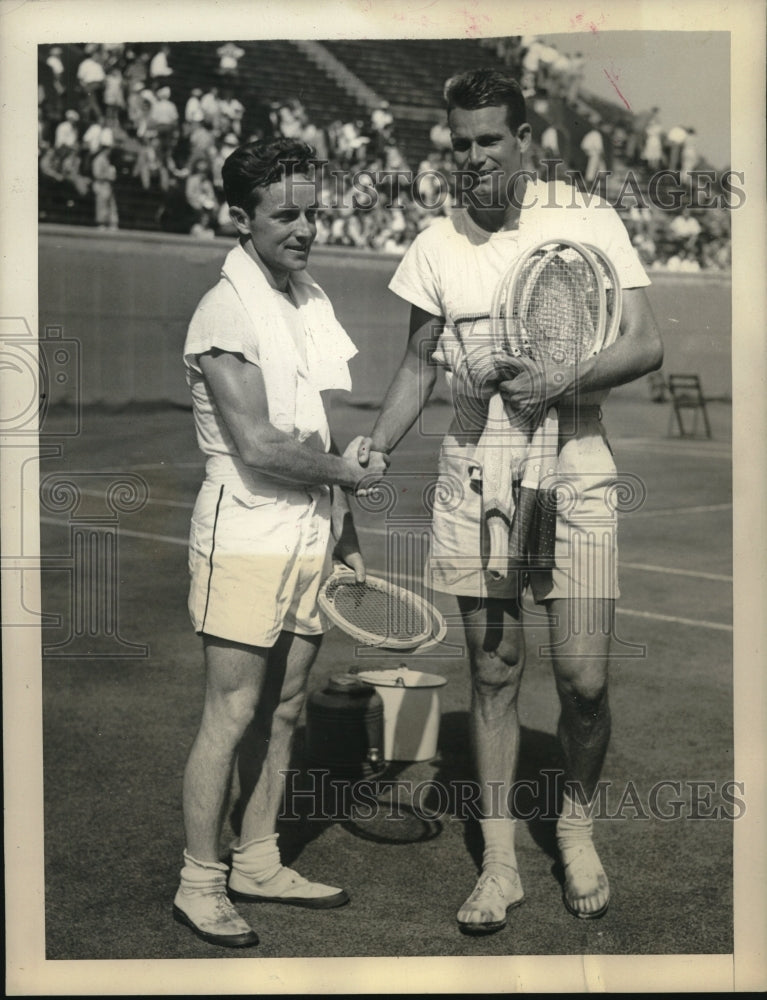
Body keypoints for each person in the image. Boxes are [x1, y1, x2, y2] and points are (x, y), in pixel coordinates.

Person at [357, 68, 663, 935]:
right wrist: (376, 446)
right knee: (492, 672)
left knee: (585, 682)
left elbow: (645, 343)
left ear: (525, 140)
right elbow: (417, 367)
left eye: (490, 139)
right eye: (460, 143)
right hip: (475, 472)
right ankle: (498, 862)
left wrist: (555, 377)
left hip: (576, 467)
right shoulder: (433, 244)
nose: (474, 157)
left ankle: (573, 827)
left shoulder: (587, 219)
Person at [175, 137, 388, 948]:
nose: (304, 228)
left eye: (311, 211)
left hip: (307, 528)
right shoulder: (225, 309)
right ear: (240, 218)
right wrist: (346, 474)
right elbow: (260, 446)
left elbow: (316, 430)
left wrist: (347, 528)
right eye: (285, 214)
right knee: (230, 711)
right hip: (246, 531)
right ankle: (200, 882)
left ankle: (257, 858)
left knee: (289, 705)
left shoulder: (306, 296)